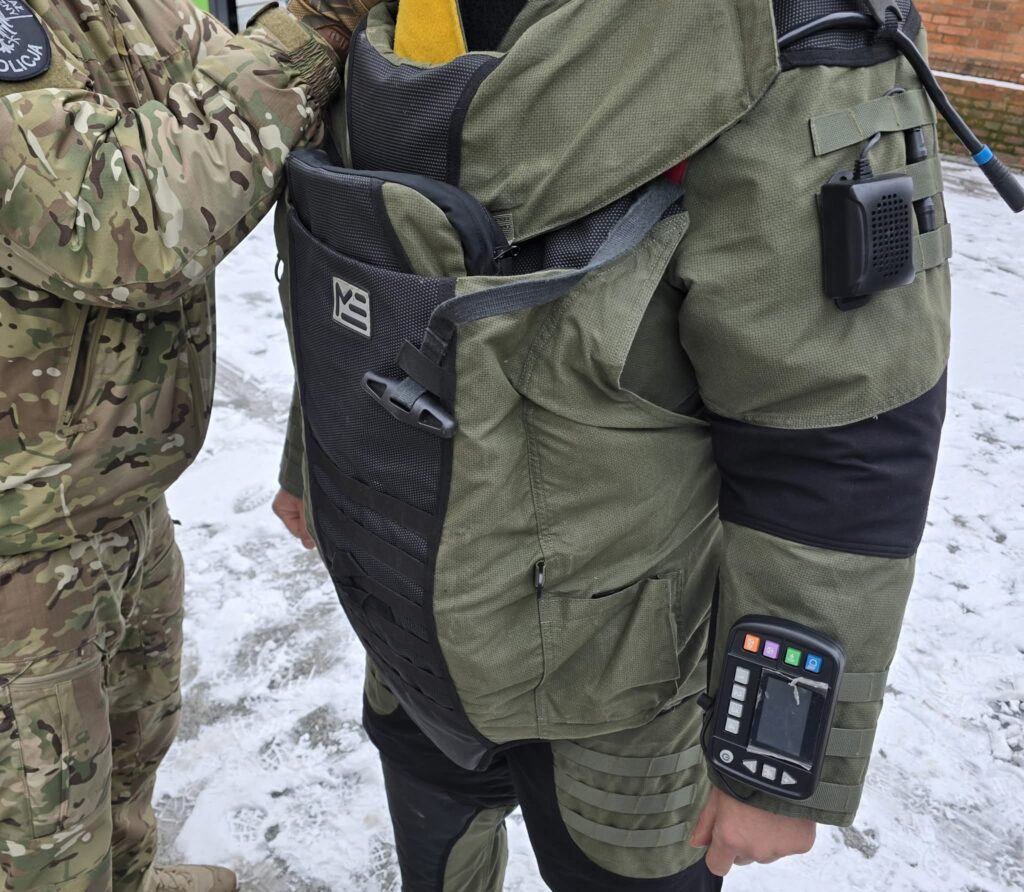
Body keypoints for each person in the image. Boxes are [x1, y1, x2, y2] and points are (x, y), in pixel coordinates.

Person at [274, 0, 954, 889]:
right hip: (407, 594)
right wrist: (310, 463)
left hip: (622, 681)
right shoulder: (400, 13)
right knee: (434, 829)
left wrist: (776, 767)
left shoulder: (782, 34)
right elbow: (372, 262)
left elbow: (839, 421)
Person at [0, 1, 342, 890]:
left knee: (127, 749)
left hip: (110, 485)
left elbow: (215, 92)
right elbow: (133, 215)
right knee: (39, 843)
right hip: (21, 543)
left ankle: (128, 874)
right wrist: (318, 26)